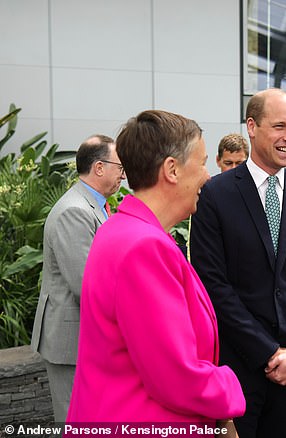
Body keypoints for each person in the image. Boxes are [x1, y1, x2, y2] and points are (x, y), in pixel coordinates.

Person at [66, 110, 245, 424]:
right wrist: (231, 390)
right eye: (202, 163)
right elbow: (176, 376)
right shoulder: (144, 247)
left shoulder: (121, 229)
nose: (207, 176)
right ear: (172, 170)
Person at [190, 88, 286, 438]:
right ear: (252, 126)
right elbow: (212, 284)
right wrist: (268, 352)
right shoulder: (216, 194)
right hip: (236, 365)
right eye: (280, 126)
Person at [31, 134, 125, 422]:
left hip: (82, 339)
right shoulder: (75, 210)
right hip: (70, 342)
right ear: (99, 167)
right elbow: (86, 285)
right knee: (75, 421)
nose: (123, 174)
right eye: (119, 167)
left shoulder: (92, 205)